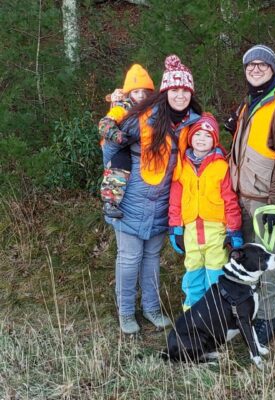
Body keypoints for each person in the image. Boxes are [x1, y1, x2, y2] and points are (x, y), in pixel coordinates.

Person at [99, 55, 202, 334]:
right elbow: (109, 152)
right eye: (173, 91)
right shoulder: (138, 119)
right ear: (165, 93)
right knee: (130, 259)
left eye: (184, 91)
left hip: (162, 205)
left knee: (152, 259)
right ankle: (126, 312)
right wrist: (113, 138)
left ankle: (153, 309)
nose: (179, 96)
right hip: (130, 203)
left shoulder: (192, 124)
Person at [227, 44, 275, 346]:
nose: (255, 69)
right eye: (250, 65)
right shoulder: (250, 103)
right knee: (246, 257)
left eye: (262, 64)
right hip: (240, 193)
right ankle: (250, 310)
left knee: (267, 259)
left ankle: (268, 320)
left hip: (264, 200)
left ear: (272, 69)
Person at [168, 112, 243, 310]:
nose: (202, 139)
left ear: (215, 140)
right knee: (192, 272)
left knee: (215, 273)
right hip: (191, 230)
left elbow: (230, 200)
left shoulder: (221, 166)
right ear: (191, 137)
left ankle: (216, 314)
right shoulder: (181, 166)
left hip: (216, 231)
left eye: (208, 135)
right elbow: (175, 200)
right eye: (198, 134)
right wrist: (175, 227)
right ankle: (192, 314)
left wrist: (234, 231)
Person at [99, 64, 154, 218]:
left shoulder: (152, 108)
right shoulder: (123, 108)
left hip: (142, 147)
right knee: (120, 165)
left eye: (145, 92)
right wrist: (118, 135)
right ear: (129, 93)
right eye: (136, 92)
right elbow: (104, 123)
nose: (141, 95)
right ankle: (110, 202)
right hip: (122, 146)